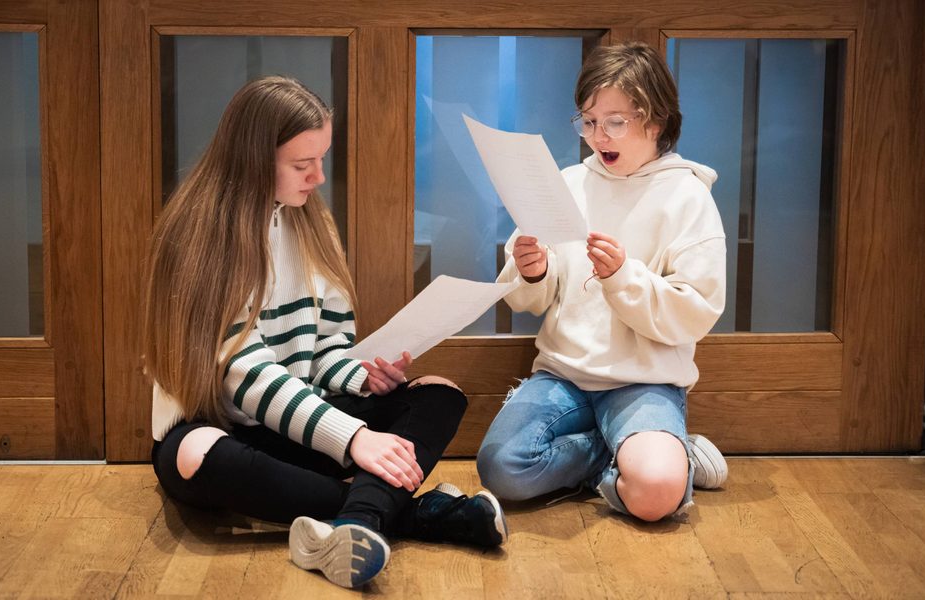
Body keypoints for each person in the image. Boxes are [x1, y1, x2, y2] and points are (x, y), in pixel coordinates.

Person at [143, 76, 507, 589]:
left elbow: (325, 350)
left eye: (321, 159)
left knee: (439, 394)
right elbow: (241, 376)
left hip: (300, 420)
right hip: (225, 426)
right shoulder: (199, 236)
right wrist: (354, 438)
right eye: (301, 164)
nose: (317, 176)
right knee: (196, 453)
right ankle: (408, 513)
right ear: (253, 158)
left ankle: (358, 523)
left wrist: (360, 379)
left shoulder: (310, 223)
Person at [477, 42, 729, 522]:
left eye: (616, 122)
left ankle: (661, 463)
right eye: (589, 121)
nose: (598, 136)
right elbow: (531, 298)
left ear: (655, 119)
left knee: (654, 496)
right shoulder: (568, 182)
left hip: (643, 381)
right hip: (564, 375)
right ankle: (637, 454)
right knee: (502, 469)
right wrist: (534, 270)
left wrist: (622, 277)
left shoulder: (687, 195)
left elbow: (696, 311)